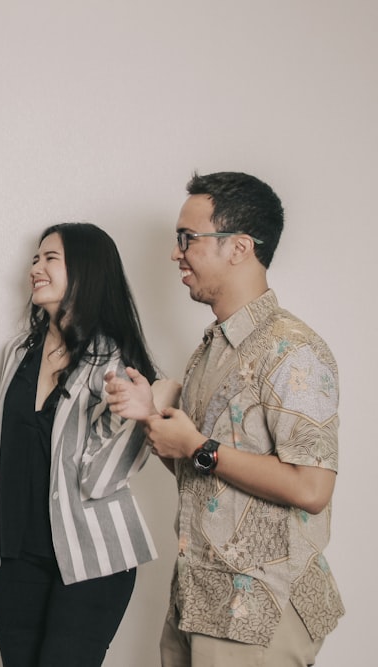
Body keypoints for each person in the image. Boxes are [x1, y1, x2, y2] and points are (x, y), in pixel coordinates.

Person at [106, 172, 343, 666]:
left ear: (239, 248)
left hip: (261, 611)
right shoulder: (211, 349)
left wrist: (198, 446)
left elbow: (312, 489)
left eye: (187, 239)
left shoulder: (292, 349)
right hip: (200, 602)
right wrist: (160, 423)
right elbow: (207, 482)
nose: (176, 253)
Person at [0, 222, 178, 666]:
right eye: (34, 259)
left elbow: (100, 478)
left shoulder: (118, 364)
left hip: (92, 557)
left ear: (86, 272)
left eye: (50, 258)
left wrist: (145, 406)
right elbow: (1, 445)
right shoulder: (18, 352)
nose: (35, 269)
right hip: (14, 555)